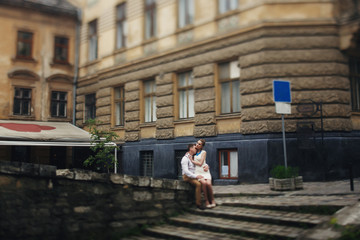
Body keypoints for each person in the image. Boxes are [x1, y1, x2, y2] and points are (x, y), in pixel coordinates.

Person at [191, 139, 216, 208]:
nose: (197, 145)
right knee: (204, 183)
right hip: (197, 172)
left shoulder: (203, 152)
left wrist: (207, 165)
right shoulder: (193, 152)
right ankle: (206, 200)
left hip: (204, 171)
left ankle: (212, 200)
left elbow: (201, 163)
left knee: (208, 184)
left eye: (199, 144)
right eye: (197, 143)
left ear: (202, 146)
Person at [181, 143, 206, 209]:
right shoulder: (185, 158)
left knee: (205, 182)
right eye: (195, 148)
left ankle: (206, 200)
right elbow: (186, 171)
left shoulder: (193, 157)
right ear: (190, 148)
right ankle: (198, 204)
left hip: (193, 176)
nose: (196, 149)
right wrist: (196, 176)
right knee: (198, 184)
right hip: (187, 176)